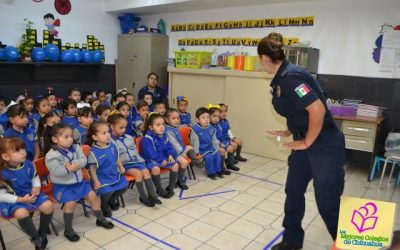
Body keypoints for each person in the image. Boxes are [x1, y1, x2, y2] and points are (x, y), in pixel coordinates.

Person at [257, 32, 345, 250]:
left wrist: (306, 142)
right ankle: (292, 241)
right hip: (305, 141)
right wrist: (291, 130)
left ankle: (351, 245)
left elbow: (317, 110)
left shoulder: (290, 77)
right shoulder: (284, 76)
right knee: (294, 190)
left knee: (327, 201)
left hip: (324, 144)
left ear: (264, 58)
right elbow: (300, 111)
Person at [44, 124, 114, 242]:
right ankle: (68, 229)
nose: (70, 139)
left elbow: (83, 160)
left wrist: (74, 165)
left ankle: (100, 218)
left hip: (79, 182)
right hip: (63, 186)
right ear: (55, 139)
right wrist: (67, 169)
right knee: (71, 204)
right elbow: (55, 171)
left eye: (71, 136)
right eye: (66, 137)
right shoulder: (51, 155)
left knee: (93, 196)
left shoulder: (76, 147)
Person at [0, 137, 54, 250]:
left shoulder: (28, 164)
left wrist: (37, 187)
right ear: (5, 156)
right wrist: (20, 200)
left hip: (30, 194)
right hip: (14, 199)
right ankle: (35, 238)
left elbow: (34, 178)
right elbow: (2, 196)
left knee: (48, 206)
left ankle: (42, 233)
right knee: (21, 213)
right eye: (18, 150)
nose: (23, 152)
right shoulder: (2, 173)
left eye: (23, 148)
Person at [108, 113, 161, 207]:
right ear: (112, 126)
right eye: (121, 127)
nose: (124, 130)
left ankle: (153, 196)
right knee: (138, 174)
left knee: (146, 172)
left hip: (136, 161)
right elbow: (114, 157)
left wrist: (140, 161)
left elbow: (135, 151)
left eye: (125, 127)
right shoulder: (110, 141)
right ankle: (143, 197)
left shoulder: (128, 137)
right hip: (124, 165)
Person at [86, 121, 128, 217]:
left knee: (124, 186)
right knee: (107, 191)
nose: (108, 135)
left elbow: (117, 158)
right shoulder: (93, 152)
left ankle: (111, 200)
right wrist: (96, 181)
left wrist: (120, 166)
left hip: (113, 174)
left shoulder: (113, 146)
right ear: (95, 137)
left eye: (108, 132)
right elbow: (91, 169)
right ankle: (104, 206)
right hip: (101, 178)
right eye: (104, 133)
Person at [140, 113, 178, 198]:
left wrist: (170, 155)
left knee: (175, 166)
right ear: (151, 127)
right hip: (150, 159)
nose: (162, 127)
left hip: (163, 158)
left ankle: (170, 187)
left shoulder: (163, 136)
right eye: (158, 125)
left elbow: (169, 147)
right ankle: (159, 189)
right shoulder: (147, 138)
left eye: (163, 124)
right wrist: (160, 160)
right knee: (155, 169)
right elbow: (151, 153)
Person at [190, 107, 223, 180]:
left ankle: (218, 170)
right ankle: (211, 173)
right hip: (201, 149)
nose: (206, 119)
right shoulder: (195, 129)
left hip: (209, 147)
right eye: (203, 118)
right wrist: (196, 152)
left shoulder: (211, 127)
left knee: (217, 154)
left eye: (208, 117)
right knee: (209, 157)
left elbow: (214, 139)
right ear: (198, 119)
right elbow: (195, 142)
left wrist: (217, 147)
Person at [208, 105, 235, 174]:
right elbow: (210, 140)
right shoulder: (209, 127)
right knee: (222, 151)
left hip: (220, 142)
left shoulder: (218, 125)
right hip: (212, 145)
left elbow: (221, 135)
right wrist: (220, 144)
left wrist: (224, 142)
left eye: (218, 116)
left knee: (231, 148)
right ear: (209, 116)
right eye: (214, 116)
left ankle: (230, 164)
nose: (216, 119)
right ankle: (221, 167)